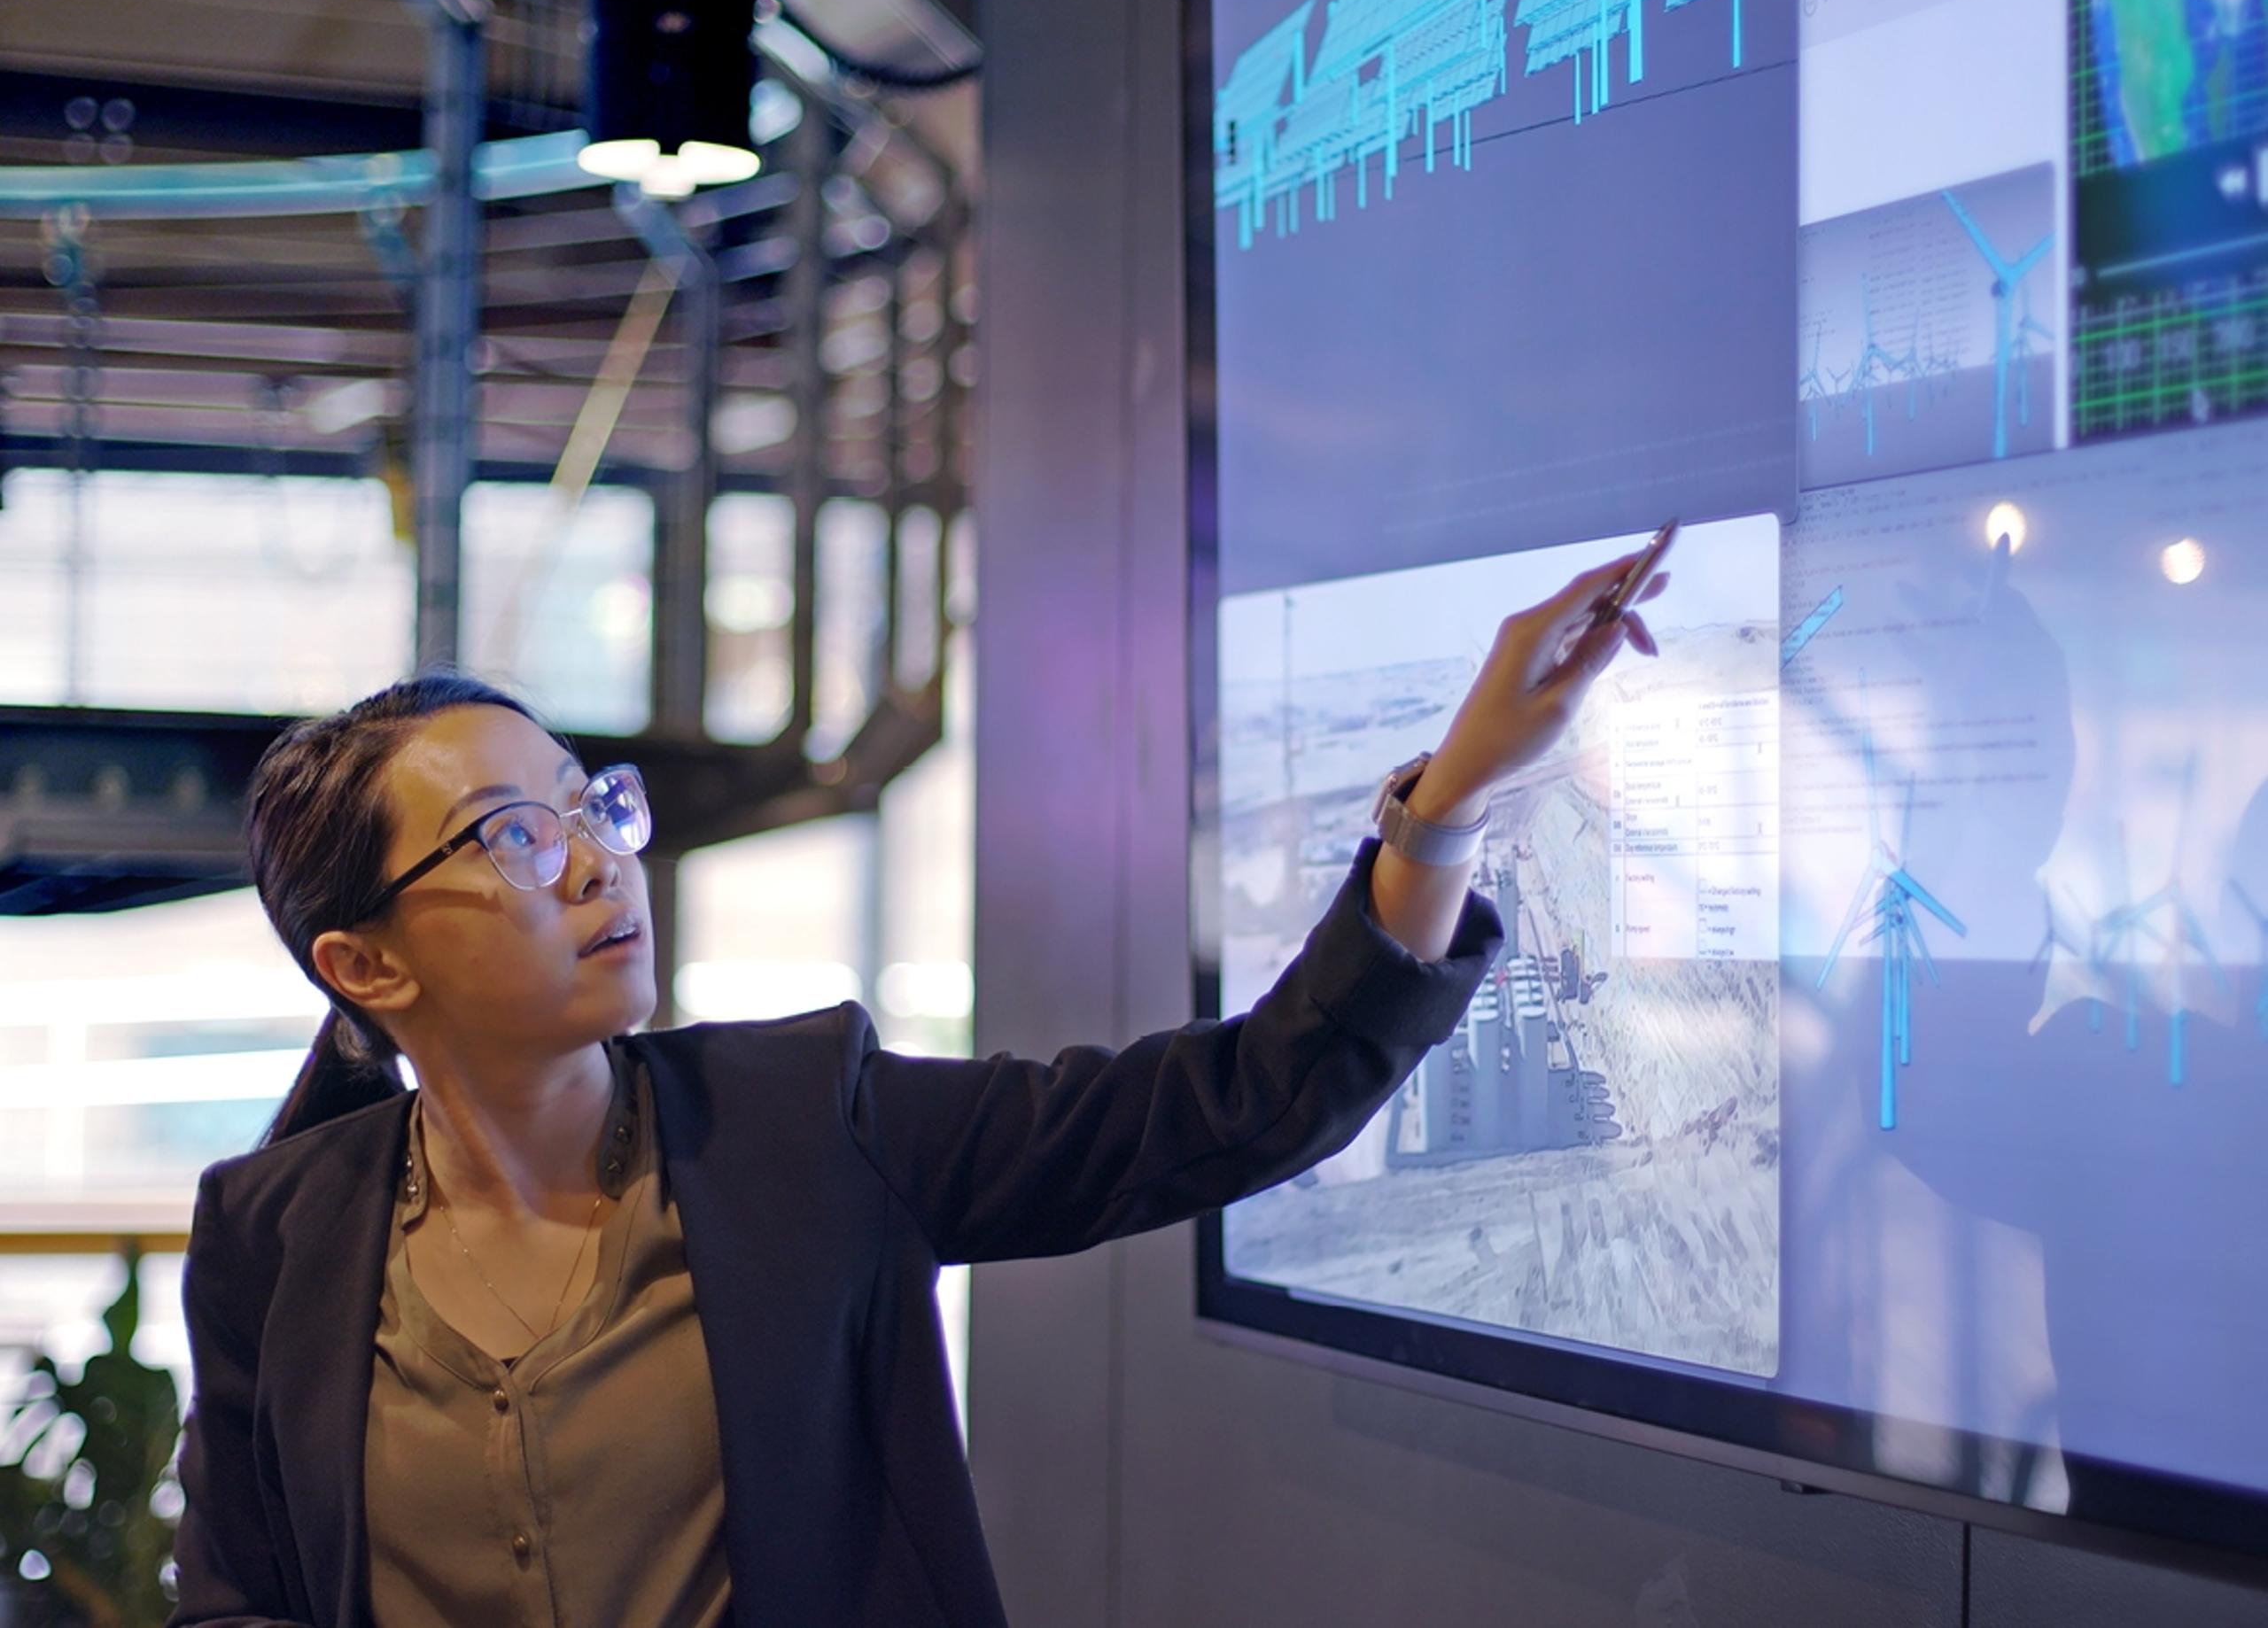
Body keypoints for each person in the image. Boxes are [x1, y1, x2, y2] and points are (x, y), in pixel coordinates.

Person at [167, 554, 1665, 1628]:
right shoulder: (273, 1231)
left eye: (589, 802)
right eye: (510, 834)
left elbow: (1244, 1100)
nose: (596, 856)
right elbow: (236, 1599)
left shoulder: (806, 1125)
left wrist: (1448, 805)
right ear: (365, 967)